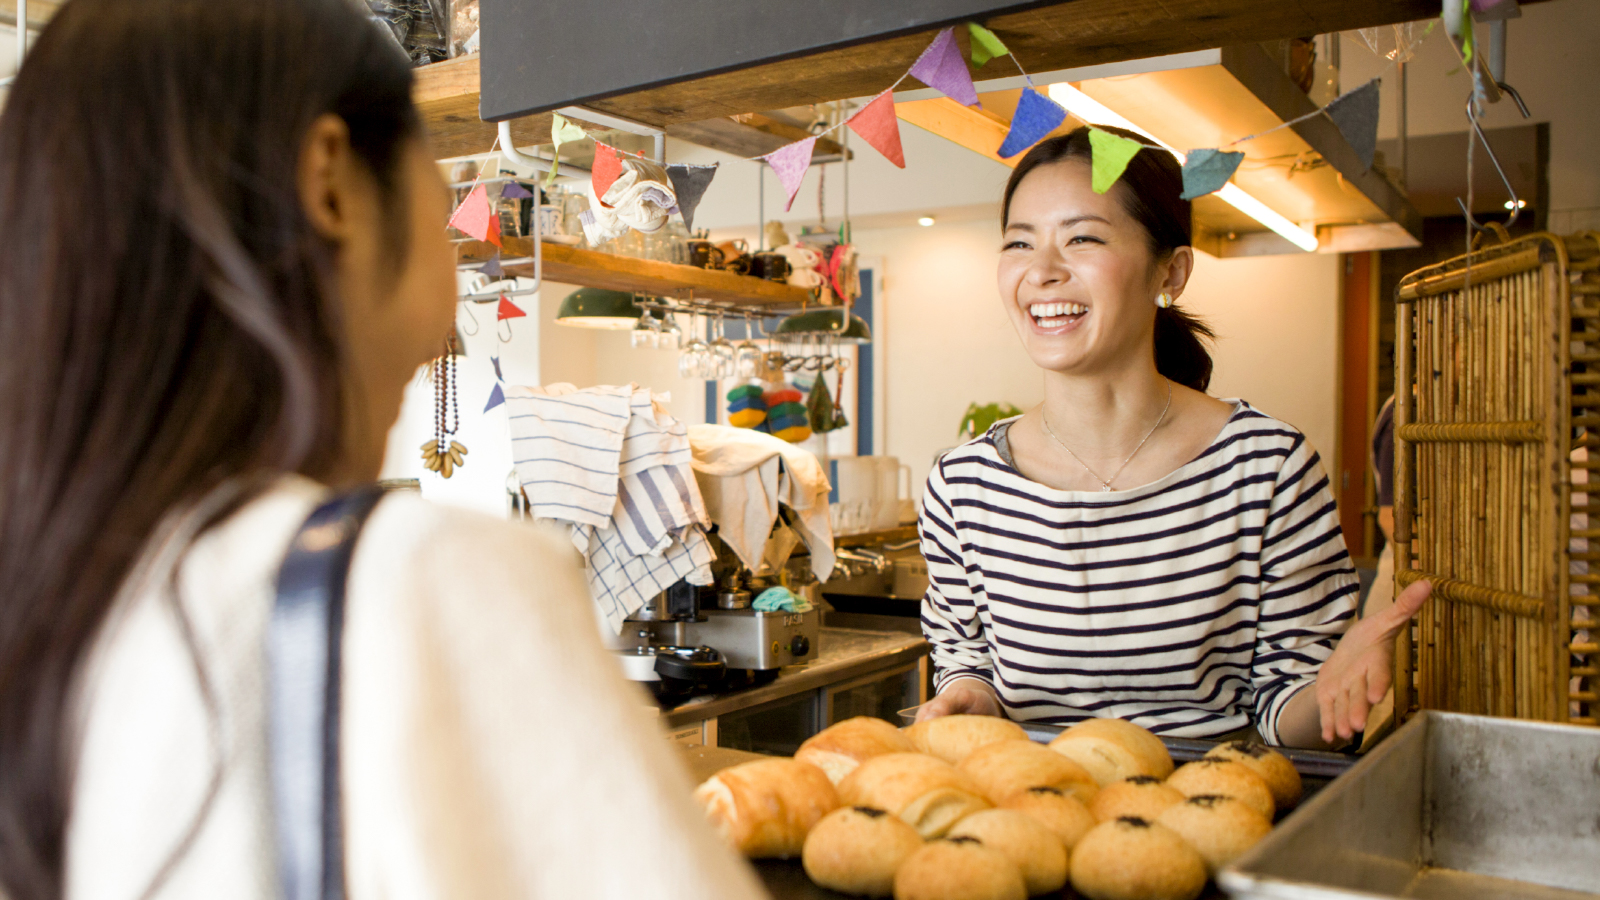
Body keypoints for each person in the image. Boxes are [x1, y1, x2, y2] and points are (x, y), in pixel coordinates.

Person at [0, 2, 763, 898]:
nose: (448, 296)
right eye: (439, 209)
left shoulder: (57, 595)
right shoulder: (422, 576)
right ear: (330, 185)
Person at [914, 127, 1429, 749]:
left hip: (1213, 813)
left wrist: (1329, 695)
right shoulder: (963, 485)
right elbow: (965, 661)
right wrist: (967, 695)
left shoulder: (1265, 467)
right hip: (1031, 813)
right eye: (1019, 243)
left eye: (1082, 237)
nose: (1042, 271)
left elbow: (1287, 705)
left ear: (1172, 271)